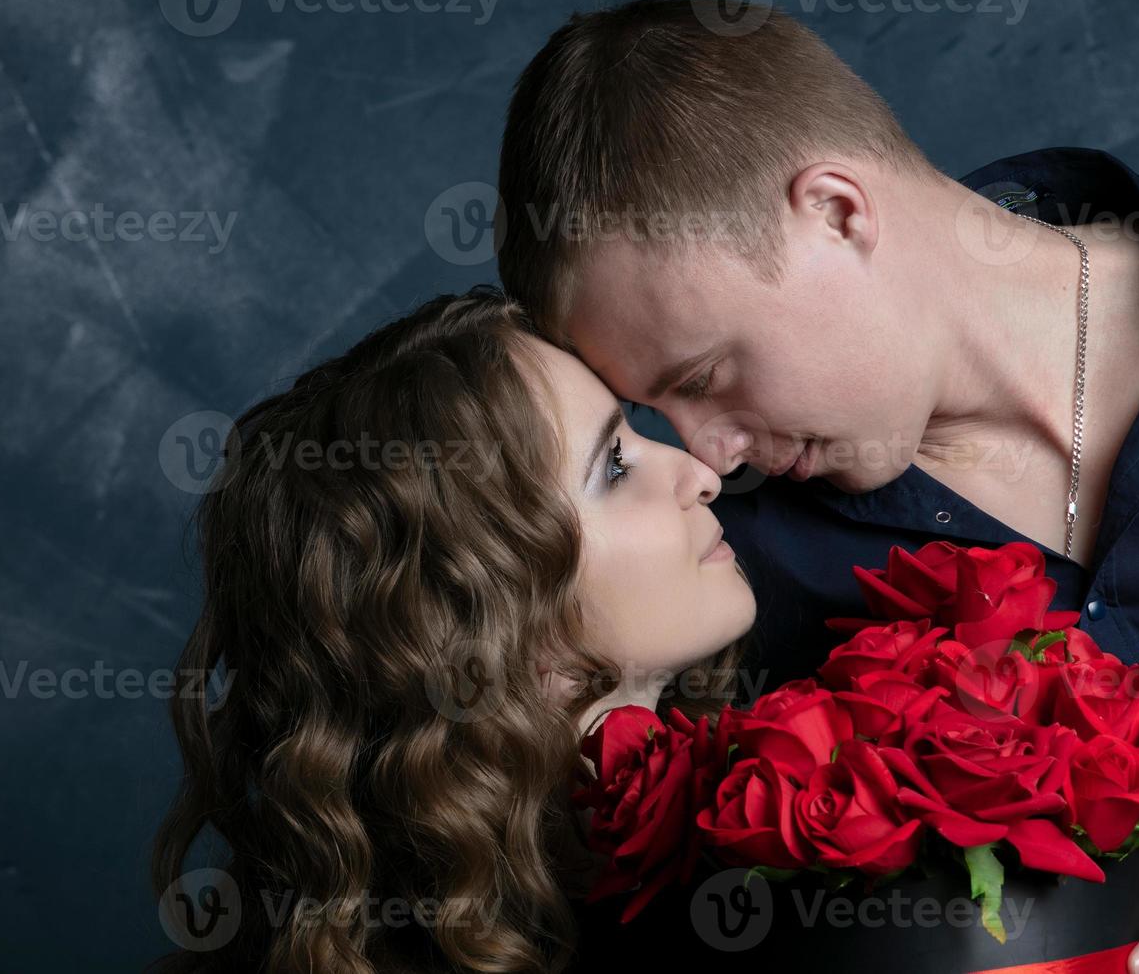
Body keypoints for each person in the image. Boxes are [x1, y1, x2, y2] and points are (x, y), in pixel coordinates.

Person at [495, 0, 1139, 972]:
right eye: (656, 412)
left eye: (702, 378)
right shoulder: (730, 581)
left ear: (837, 212)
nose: (711, 453)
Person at [150, 287, 757, 973]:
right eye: (613, 466)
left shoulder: (779, 785)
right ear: (477, 614)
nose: (702, 474)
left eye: (635, 433)